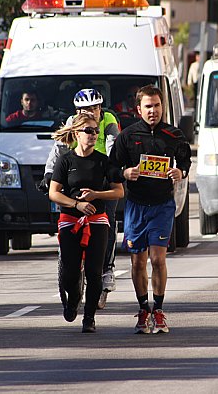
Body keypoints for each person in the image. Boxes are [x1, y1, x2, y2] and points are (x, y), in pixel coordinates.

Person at [109, 85, 192, 334]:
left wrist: (181, 171)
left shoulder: (173, 134)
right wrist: (124, 172)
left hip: (162, 205)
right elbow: (112, 168)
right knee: (138, 263)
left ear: (162, 107)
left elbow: (185, 160)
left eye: (157, 105)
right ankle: (143, 308)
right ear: (139, 109)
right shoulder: (128, 136)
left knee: (158, 259)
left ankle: (159, 310)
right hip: (136, 206)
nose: (153, 111)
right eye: (148, 106)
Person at [40, 88, 121, 308]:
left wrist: (112, 172)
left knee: (109, 219)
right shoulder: (72, 122)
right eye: (86, 109)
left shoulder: (109, 120)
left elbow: (113, 147)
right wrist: (49, 173)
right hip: (74, 175)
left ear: (100, 108)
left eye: (95, 108)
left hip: (101, 175)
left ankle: (107, 268)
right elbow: (57, 150)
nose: (91, 112)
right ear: (77, 111)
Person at [48, 113, 124, 333]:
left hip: (97, 220)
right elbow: (54, 193)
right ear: (76, 133)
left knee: (94, 271)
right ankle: (73, 300)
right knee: (70, 272)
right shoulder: (66, 160)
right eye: (88, 131)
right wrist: (76, 204)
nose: (93, 135)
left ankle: (89, 318)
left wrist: (96, 195)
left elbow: (118, 191)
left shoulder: (103, 160)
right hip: (70, 219)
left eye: (96, 131)